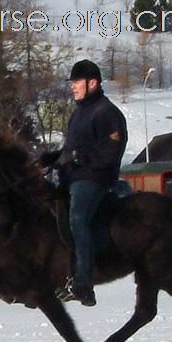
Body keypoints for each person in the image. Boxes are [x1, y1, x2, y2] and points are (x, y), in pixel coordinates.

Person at [41, 59, 128, 306]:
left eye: (77, 82)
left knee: (78, 218)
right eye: (73, 83)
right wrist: (52, 158)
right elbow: (71, 150)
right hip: (72, 177)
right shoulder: (79, 113)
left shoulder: (107, 112)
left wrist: (79, 158)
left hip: (94, 179)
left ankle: (84, 282)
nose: (73, 87)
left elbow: (111, 152)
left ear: (93, 83)